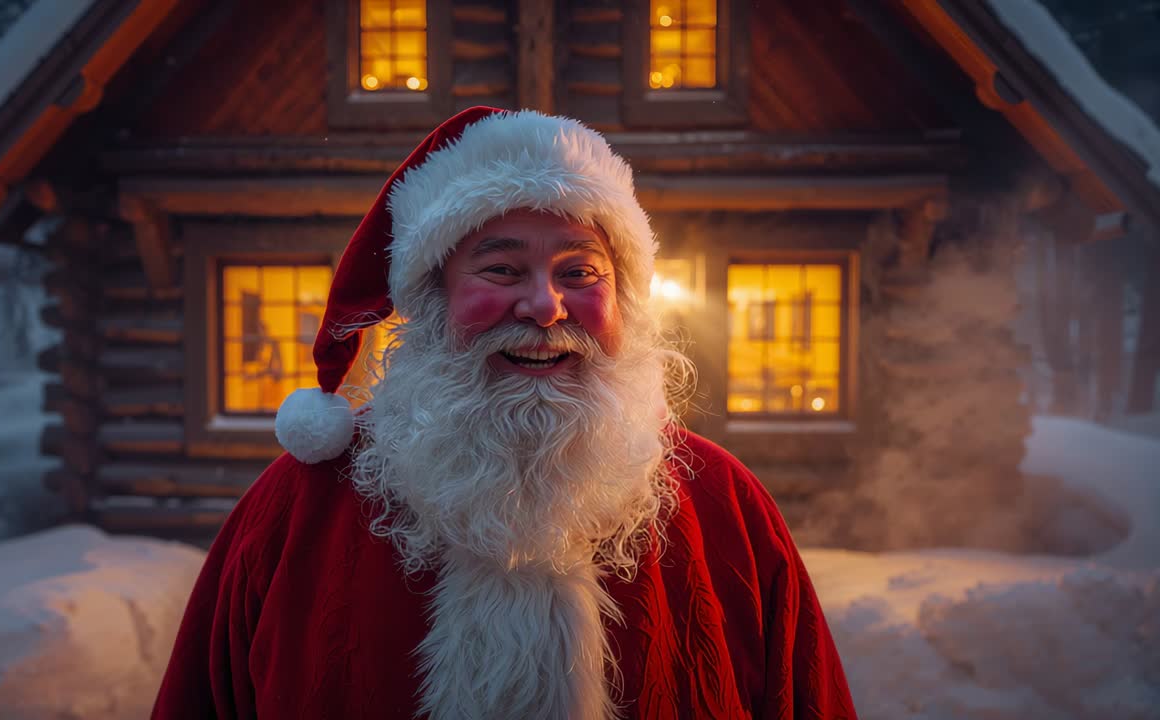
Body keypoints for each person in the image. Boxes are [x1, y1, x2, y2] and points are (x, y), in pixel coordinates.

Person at [152, 107, 857, 720]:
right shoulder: (297, 509)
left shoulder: (723, 504)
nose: (546, 307)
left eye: (580, 273)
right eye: (502, 270)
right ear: (434, 300)